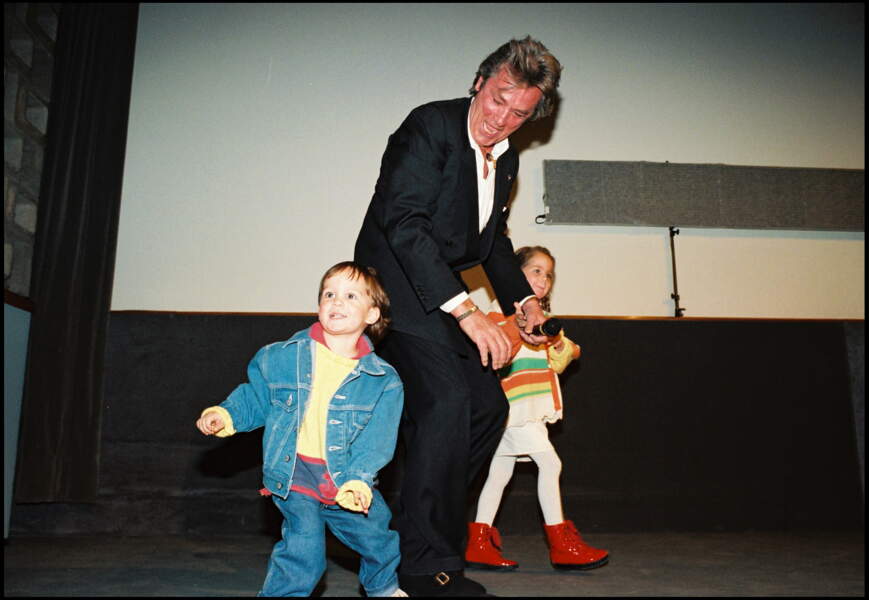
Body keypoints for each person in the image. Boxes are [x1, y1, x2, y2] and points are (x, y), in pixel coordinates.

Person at [354, 36, 562, 597]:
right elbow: (406, 225)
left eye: (519, 114)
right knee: (447, 402)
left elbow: (489, 242)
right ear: (480, 82)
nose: (502, 120)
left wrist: (522, 299)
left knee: (487, 408)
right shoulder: (428, 127)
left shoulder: (507, 156)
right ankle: (425, 568)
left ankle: (407, 536)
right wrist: (469, 311)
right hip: (393, 291)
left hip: (439, 295)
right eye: (498, 100)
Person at [195, 261, 407, 597]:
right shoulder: (282, 357)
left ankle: (382, 588)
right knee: (302, 551)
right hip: (294, 475)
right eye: (329, 294)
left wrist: (358, 478)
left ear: (372, 315)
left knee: (378, 539)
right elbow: (257, 395)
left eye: (351, 296)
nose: (336, 302)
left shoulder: (383, 380)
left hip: (346, 480)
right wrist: (227, 414)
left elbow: (378, 439)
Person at [465, 246, 609, 572]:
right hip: (513, 409)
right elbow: (493, 350)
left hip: (529, 409)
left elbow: (561, 360)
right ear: (514, 276)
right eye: (536, 271)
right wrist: (517, 327)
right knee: (550, 463)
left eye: (549, 274)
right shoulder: (495, 314)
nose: (544, 279)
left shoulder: (542, 323)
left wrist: (558, 343)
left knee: (499, 474)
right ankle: (561, 543)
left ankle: (478, 543)